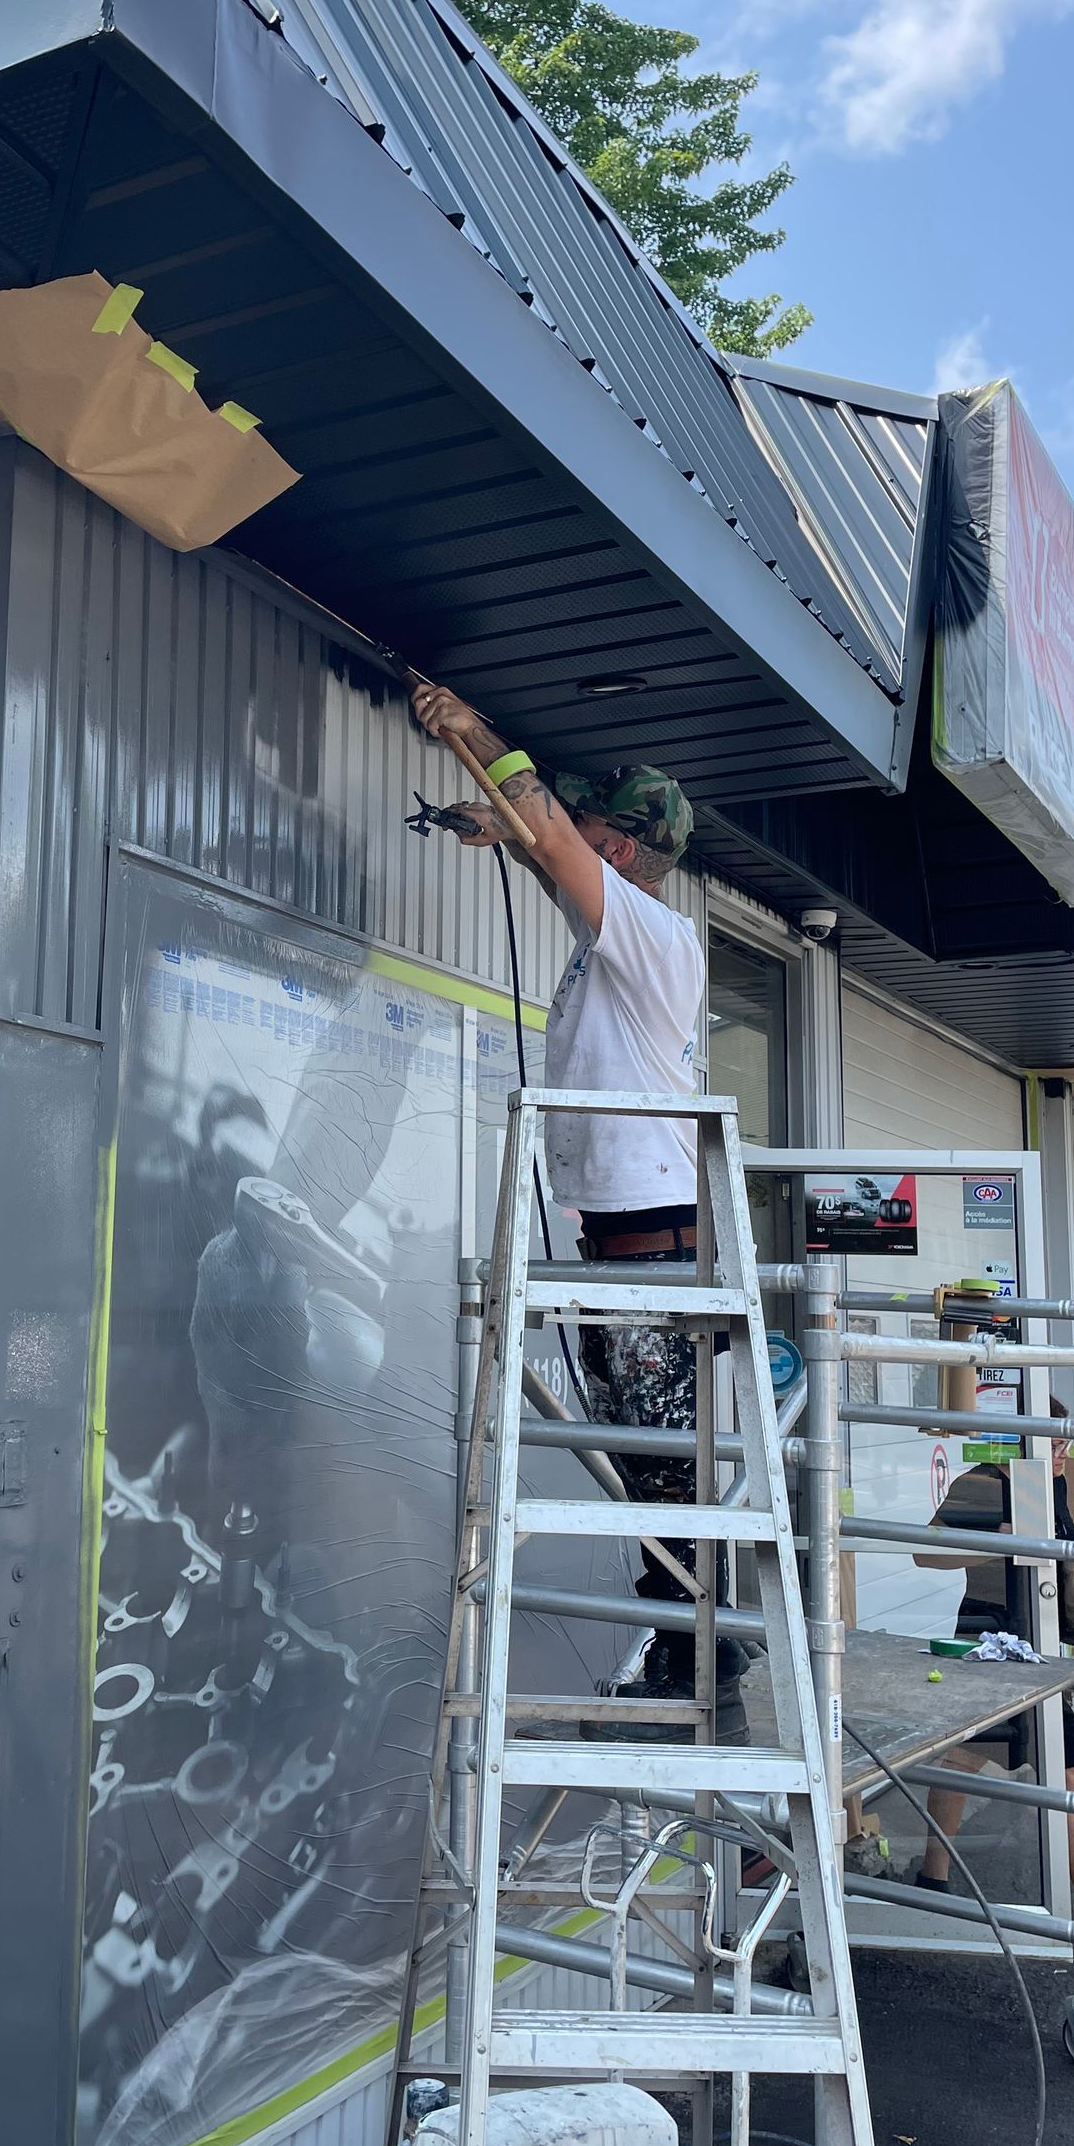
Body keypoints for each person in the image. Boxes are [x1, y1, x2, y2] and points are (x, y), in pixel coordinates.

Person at [409, 683, 750, 1739]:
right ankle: (688, 1645)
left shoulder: (652, 932)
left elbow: (552, 842)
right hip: (623, 1247)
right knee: (642, 1467)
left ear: (630, 843)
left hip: (651, 1255)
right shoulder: (620, 933)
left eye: (598, 818)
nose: (580, 826)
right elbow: (542, 848)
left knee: (661, 1468)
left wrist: (477, 734)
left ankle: (704, 1659)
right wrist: (487, 822)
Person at [912, 1407, 1074, 1964]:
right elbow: (923, 1551)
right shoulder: (979, 1484)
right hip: (989, 1637)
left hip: (1039, 1647)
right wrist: (1002, 1539)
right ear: (1015, 1444)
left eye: (1065, 1447)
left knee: (970, 1759)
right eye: (1051, 1446)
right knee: (1057, 1770)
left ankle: (935, 1880)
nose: (1062, 1456)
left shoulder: (1054, 1482)